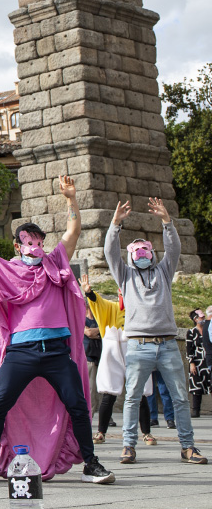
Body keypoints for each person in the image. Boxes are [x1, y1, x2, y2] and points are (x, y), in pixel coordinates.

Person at [0, 181, 115, 484]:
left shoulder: (54, 263)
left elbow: (73, 232)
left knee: (78, 405)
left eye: (39, 242)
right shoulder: (7, 269)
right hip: (21, 352)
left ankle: (91, 463)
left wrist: (71, 200)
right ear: (17, 246)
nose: (35, 247)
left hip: (57, 352)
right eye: (28, 242)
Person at [105, 197, 206, 465]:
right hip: (138, 345)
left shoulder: (163, 271)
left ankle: (188, 447)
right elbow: (110, 253)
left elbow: (174, 250)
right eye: (136, 250)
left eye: (145, 249)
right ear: (131, 255)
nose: (141, 254)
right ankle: (128, 445)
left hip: (168, 344)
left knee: (180, 397)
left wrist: (167, 222)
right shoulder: (125, 275)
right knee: (132, 397)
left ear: (152, 253)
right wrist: (115, 224)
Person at [77, 274, 155, 449]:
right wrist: (89, 293)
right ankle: (101, 431)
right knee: (109, 393)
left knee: (140, 393)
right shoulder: (112, 307)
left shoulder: (140, 309)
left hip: (135, 349)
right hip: (114, 348)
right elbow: (98, 303)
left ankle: (146, 432)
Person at [186, 309, 210, 419]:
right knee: (197, 386)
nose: (203, 319)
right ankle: (196, 410)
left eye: (204, 317)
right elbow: (189, 348)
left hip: (208, 361)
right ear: (195, 319)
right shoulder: (191, 332)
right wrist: (191, 363)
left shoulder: (208, 330)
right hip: (197, 362)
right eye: (201, 317)